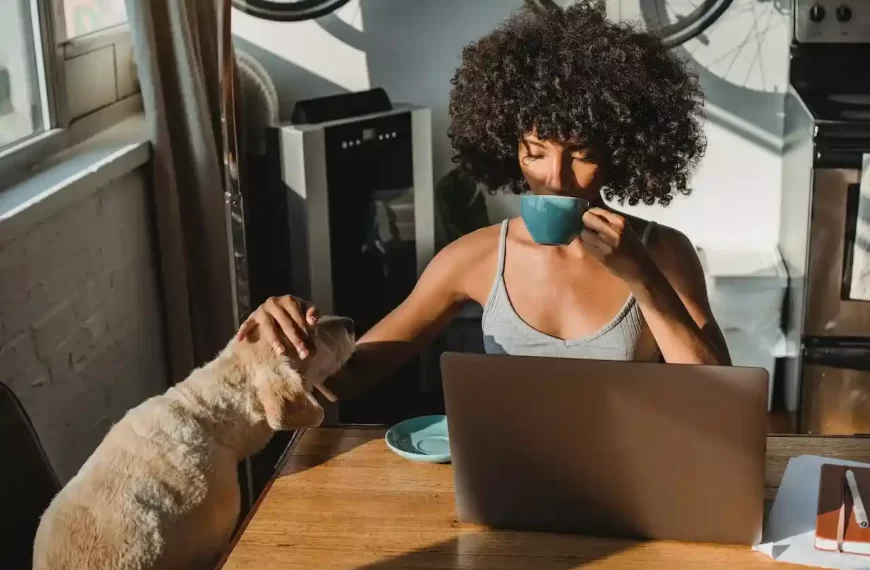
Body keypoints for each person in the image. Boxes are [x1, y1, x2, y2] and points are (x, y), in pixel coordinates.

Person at [237, 2, 731, 402]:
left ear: (622, 154)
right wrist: (291, 338)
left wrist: (642, 277)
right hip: (507, 481)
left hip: (632, 476)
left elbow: (720, 397)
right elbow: (347, 380)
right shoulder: (473, 259)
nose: (554, 179)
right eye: (534, 153)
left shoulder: (661, 252)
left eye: (581, 154)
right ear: (508, 145)